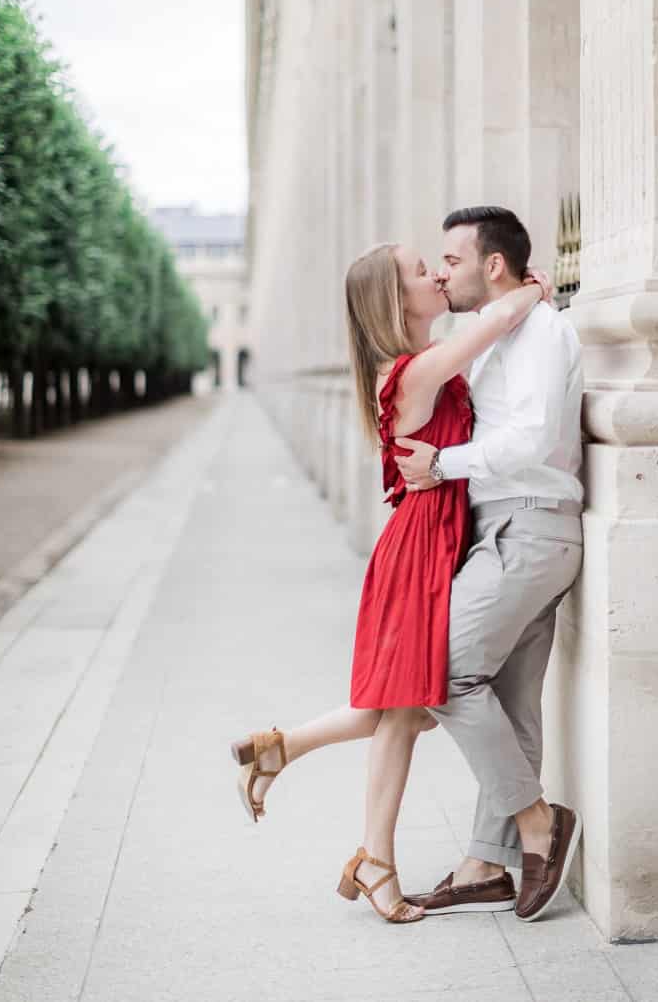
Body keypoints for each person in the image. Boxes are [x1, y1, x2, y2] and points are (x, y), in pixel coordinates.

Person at [229, 240, 547, 924]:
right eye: (418, 271)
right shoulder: (409, 374)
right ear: (395, 301)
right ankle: (346, 824)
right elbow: (494, 323)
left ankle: (321, 793)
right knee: (405, 704)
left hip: (433, 542)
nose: (435, 273)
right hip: (420, 549)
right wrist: (529, 287)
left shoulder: (411, 369)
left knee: (405, 708)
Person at [392, 206, 585, 923]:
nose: (442, 271)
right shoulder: (496, 331)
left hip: (528, 529)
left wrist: (443, 465)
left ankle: (539, 826)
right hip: (507, 530)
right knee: (510, 702)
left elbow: (531, 438)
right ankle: (484, 863)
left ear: (492, 265)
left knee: (442, 671)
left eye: (451, 259)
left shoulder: (538, 332)